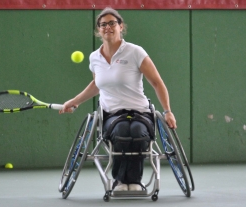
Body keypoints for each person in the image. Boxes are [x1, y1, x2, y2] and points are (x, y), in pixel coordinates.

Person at [59, 7, 177, 192]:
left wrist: (168, 111)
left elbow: (157, 82)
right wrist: (75, 100)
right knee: (121, 133)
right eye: (103, 24)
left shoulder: (136, 52)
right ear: (98, 30)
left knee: (138, 133)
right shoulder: (94, 58)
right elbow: (98, 84)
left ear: (121, 26)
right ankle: (121, 181)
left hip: (140, 112)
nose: (108, 27)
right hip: (112, 114)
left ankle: (135, 181)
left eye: (112, 23)